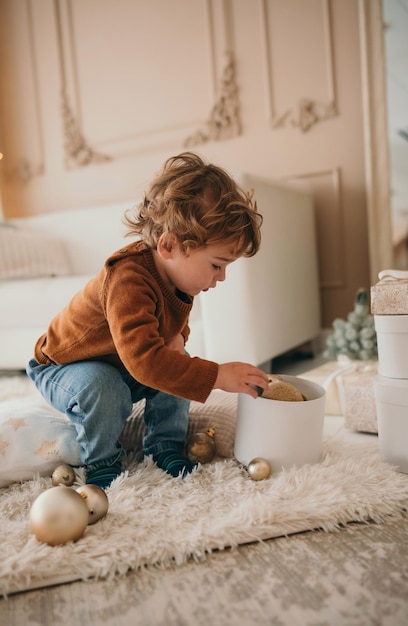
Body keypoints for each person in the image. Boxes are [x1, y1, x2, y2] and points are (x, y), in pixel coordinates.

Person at [26, 152, 269, 488]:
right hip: (63, 367)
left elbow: (173, 320)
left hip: (122, 362)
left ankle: (164, 444)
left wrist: (180, 338)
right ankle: (102, 459)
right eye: (216, 265)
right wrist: (217, 375)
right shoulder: (128, 278)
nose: (222, 277)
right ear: (169, 245)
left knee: (176, 361)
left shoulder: (180, 276)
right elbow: (144, 363)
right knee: (107, 384)